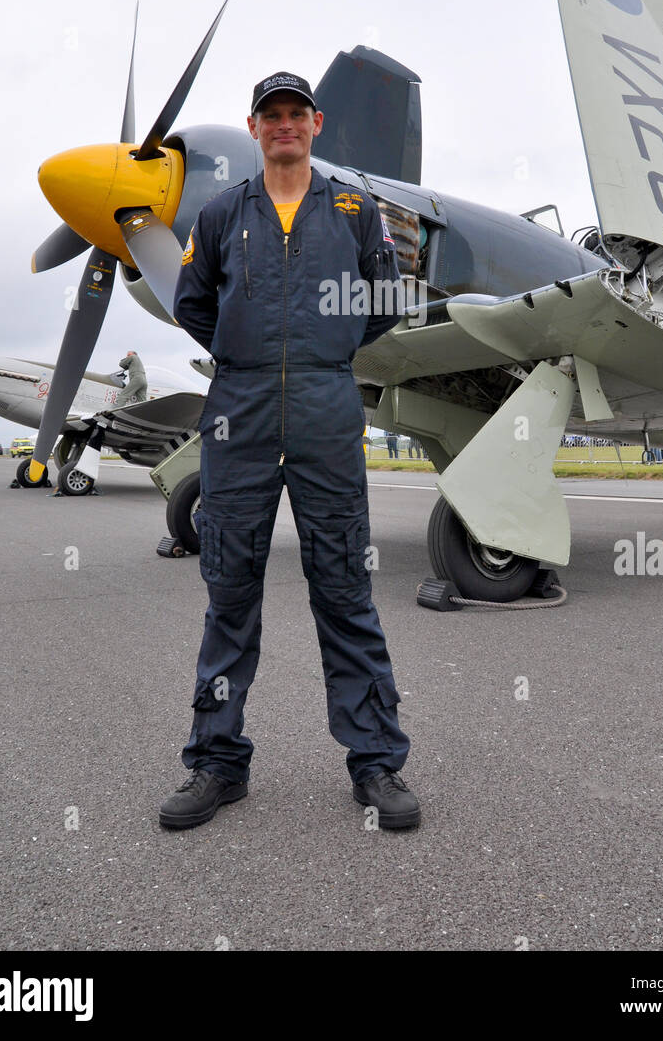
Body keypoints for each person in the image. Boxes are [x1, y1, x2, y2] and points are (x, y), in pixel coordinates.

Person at [160, 71, 418, 832]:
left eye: (294, 114)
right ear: (253, 127)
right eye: (270, 115)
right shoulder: (217, 215)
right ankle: (216, 761)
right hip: (237, 414)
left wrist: (321, 353)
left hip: (324, 408)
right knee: (228, 592)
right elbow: (193, 304)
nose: (283, 125)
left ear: (315, 124)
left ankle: (375, 762)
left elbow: (383, 301)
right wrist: (247, 355)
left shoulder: (353, 208)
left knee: (344, 587)